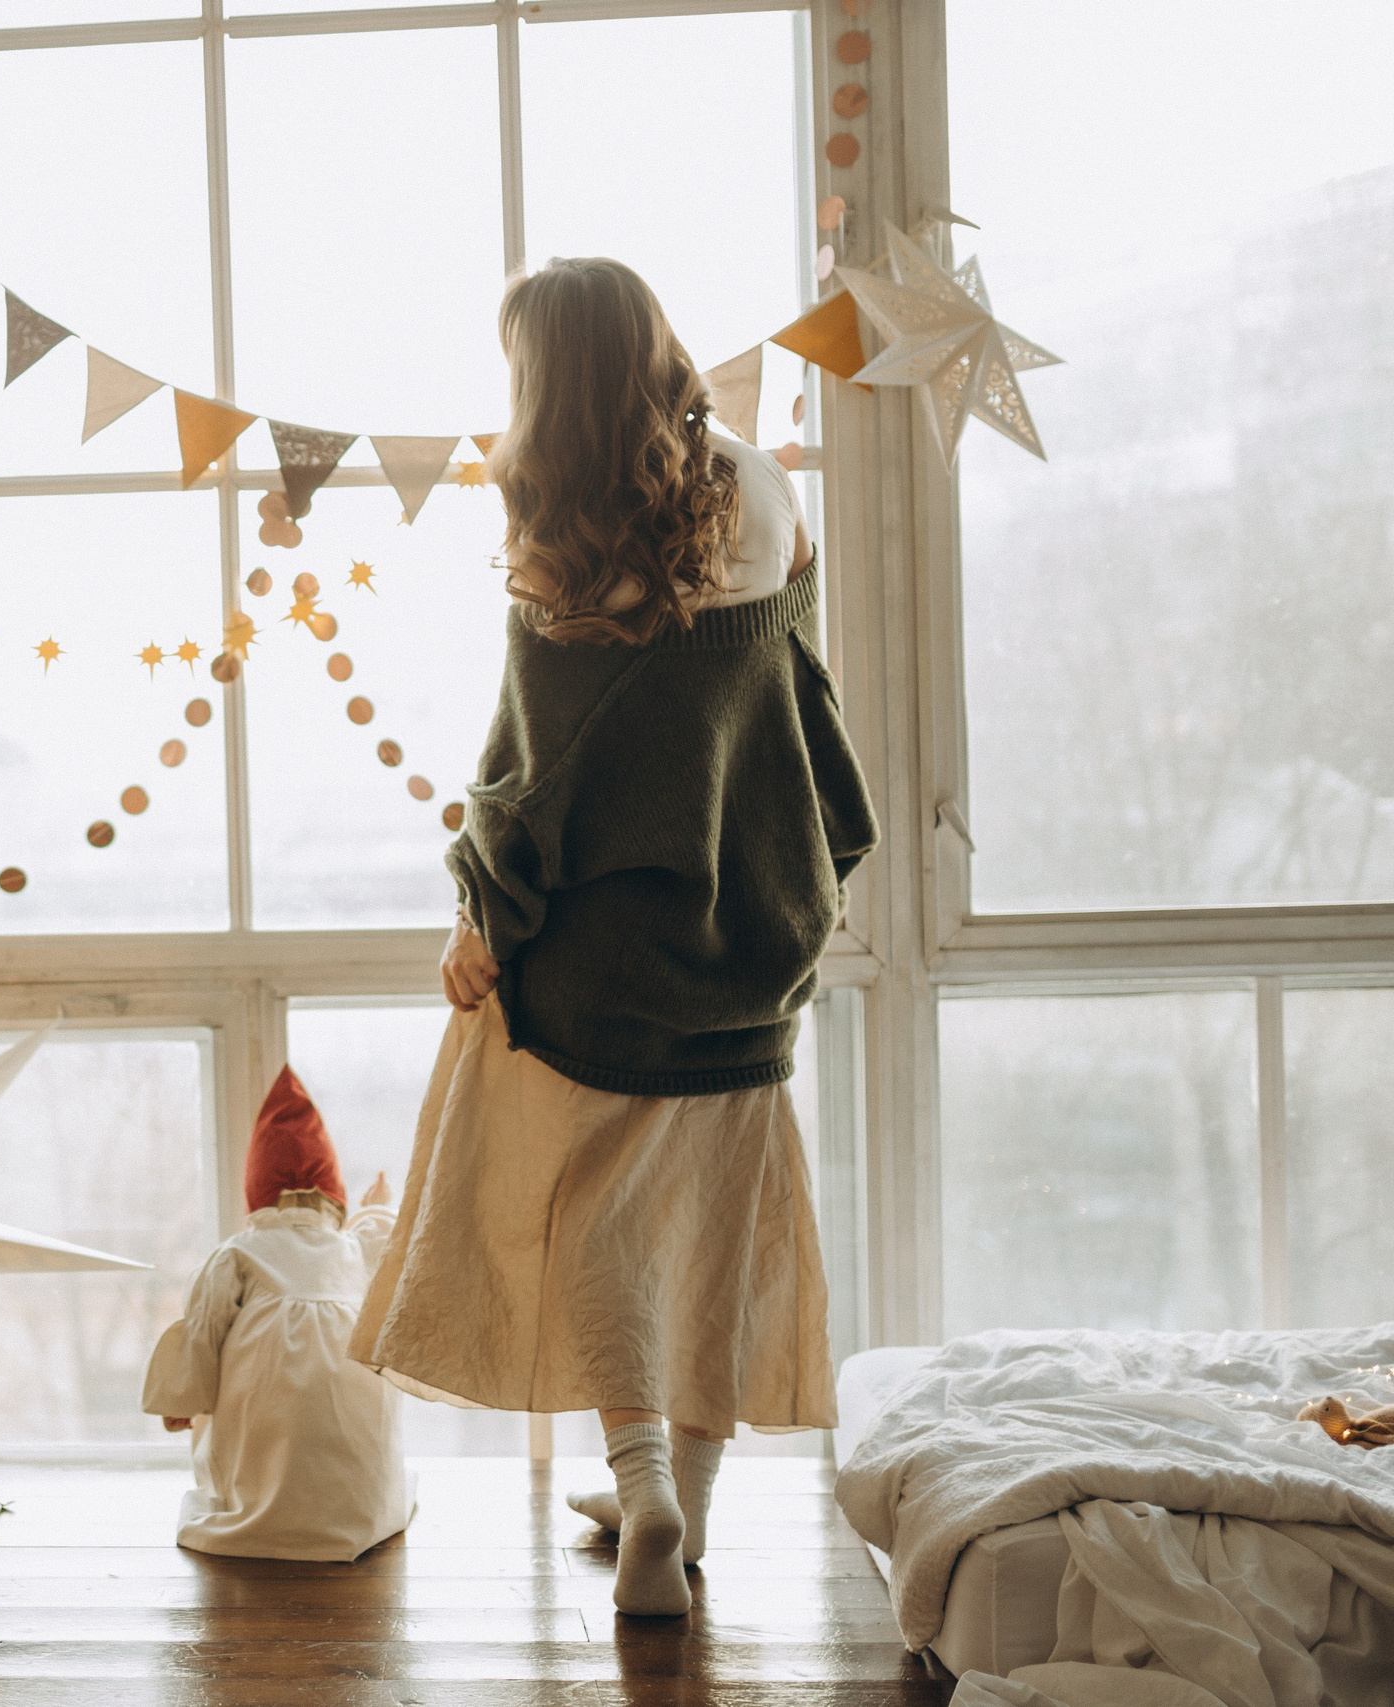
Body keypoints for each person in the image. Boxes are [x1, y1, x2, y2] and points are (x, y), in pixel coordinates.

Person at [349, 257, 877, 1616]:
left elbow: (531, 775)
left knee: (591, 1214)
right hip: (751, 932)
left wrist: (481, 911)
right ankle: (681, 1515)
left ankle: (641, 1480)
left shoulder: (552, 540)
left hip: (593, 960)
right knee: (717, 1222)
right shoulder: (766, 488)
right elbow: (792, 680)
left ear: (547, 383)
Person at [142, 1067, 414, 1562]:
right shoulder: (353, 1248)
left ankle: (262, 1507)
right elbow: (390, 1244)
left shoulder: (239, 1253)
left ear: (256, 1194)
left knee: (248, 1390)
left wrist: (183, 1399)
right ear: (334, 1200)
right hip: (359, 1498)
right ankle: (357, 1504)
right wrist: (378, 1206)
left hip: (264, 1425)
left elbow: (202, 1333)